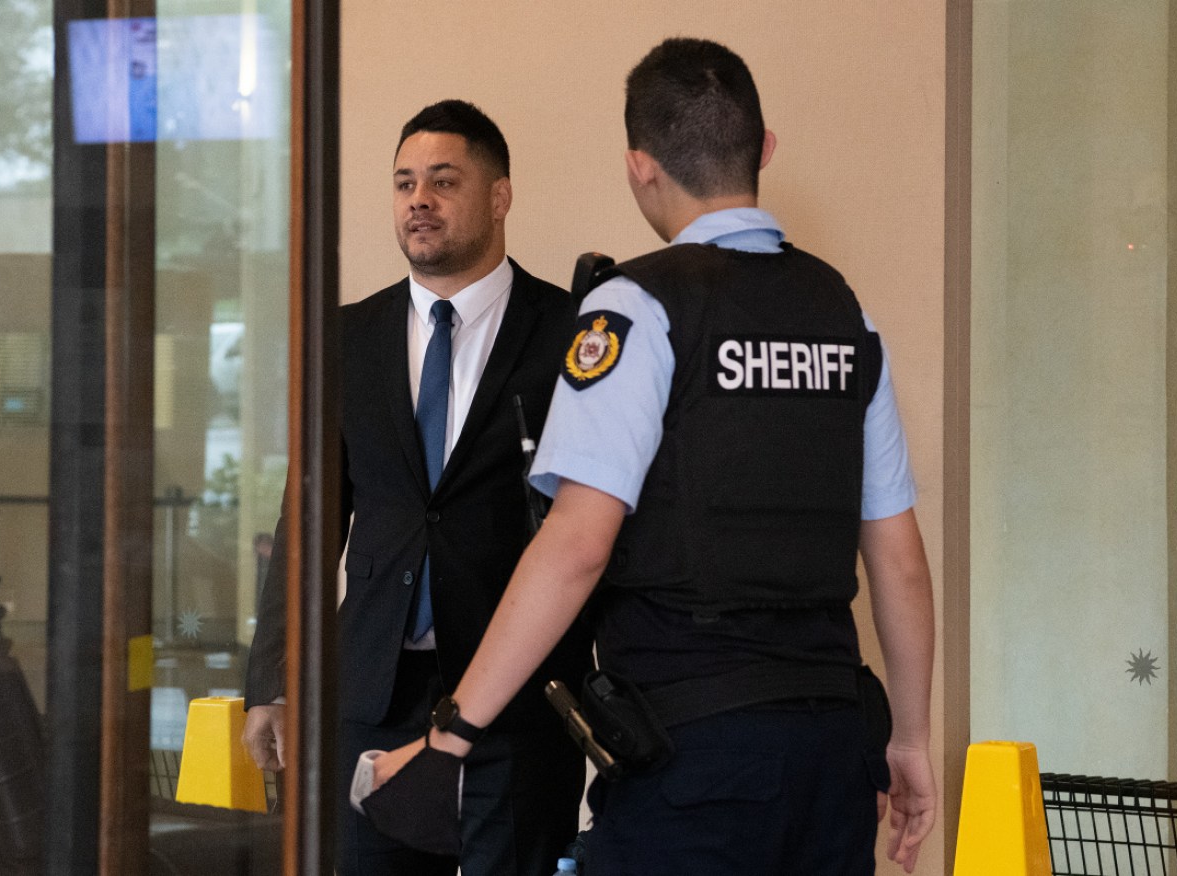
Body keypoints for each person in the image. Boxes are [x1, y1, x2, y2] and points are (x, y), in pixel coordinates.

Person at [373, 39, 937, 874]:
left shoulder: (634, 306)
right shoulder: (842, 313)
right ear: (764, 149)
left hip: (694, 754)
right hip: (832, 747)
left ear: (640, 167)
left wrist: (451, 735)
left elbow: (575, 544)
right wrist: (912, 737)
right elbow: (898, 557)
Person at [243, 99, 593, 876]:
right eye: (403, 184)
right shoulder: (344, 337)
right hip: (371, 690)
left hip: (515, 696)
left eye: (442, 181)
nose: (418, 202)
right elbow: (308, 520)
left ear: (499, 196)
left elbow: (599, 526)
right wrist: (269, 677)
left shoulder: (571, 333)